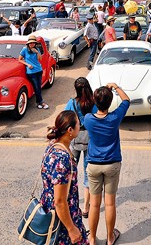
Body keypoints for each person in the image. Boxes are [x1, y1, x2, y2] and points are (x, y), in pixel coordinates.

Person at [85, 83, 130, 245]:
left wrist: (100, 93)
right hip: (112, 164)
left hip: (93, 165)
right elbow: (126, 100)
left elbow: (90, 105)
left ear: (95, 101)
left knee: (95, 204)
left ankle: (91, 238)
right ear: (110, 103)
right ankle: (110, 237)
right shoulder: (114, 118)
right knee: (110, 203)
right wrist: (116, 87)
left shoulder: (88, 119)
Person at [40, 110, 88, 245]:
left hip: (52, 211)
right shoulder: (62, 159)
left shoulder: (53, 145)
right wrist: (71, 229)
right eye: (78, 124)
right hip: (63, 219)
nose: (81, 126)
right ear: (70, 130)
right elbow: (60, 201)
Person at [65, 77, 96, 218]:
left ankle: (67, 200)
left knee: (70, 171)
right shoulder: (93, 103)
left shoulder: (72, 103)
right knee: (88, 172)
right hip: (90, 139)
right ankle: (85, 208)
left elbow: (64, 118)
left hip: (75, 139)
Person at [19, 35, 48, 109]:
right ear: (28, 43)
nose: (32, 44)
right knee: (36, 87)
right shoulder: (24, 50)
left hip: (39, 70)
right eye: (30, 43)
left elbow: (40, 59)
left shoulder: (36, 49)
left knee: (39, 87)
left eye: (33, 43)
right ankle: (41, 102)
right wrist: (27, 64)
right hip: (31, 72)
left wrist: (37, 52)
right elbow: (20, 59)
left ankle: (39, 103)